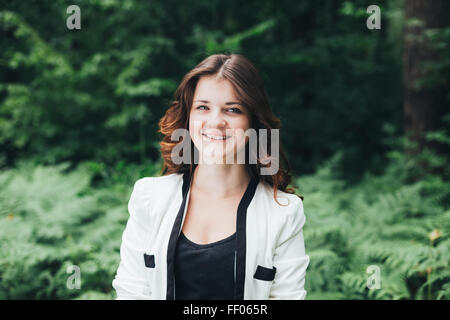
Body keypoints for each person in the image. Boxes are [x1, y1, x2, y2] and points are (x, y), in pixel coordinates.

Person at [112, 53, 310, 300]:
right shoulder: (149, 198)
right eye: (203, 107)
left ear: (253, 124)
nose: (216, 122)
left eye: (233, 110)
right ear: (189, 116)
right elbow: (132, 292)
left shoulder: (283, 212)